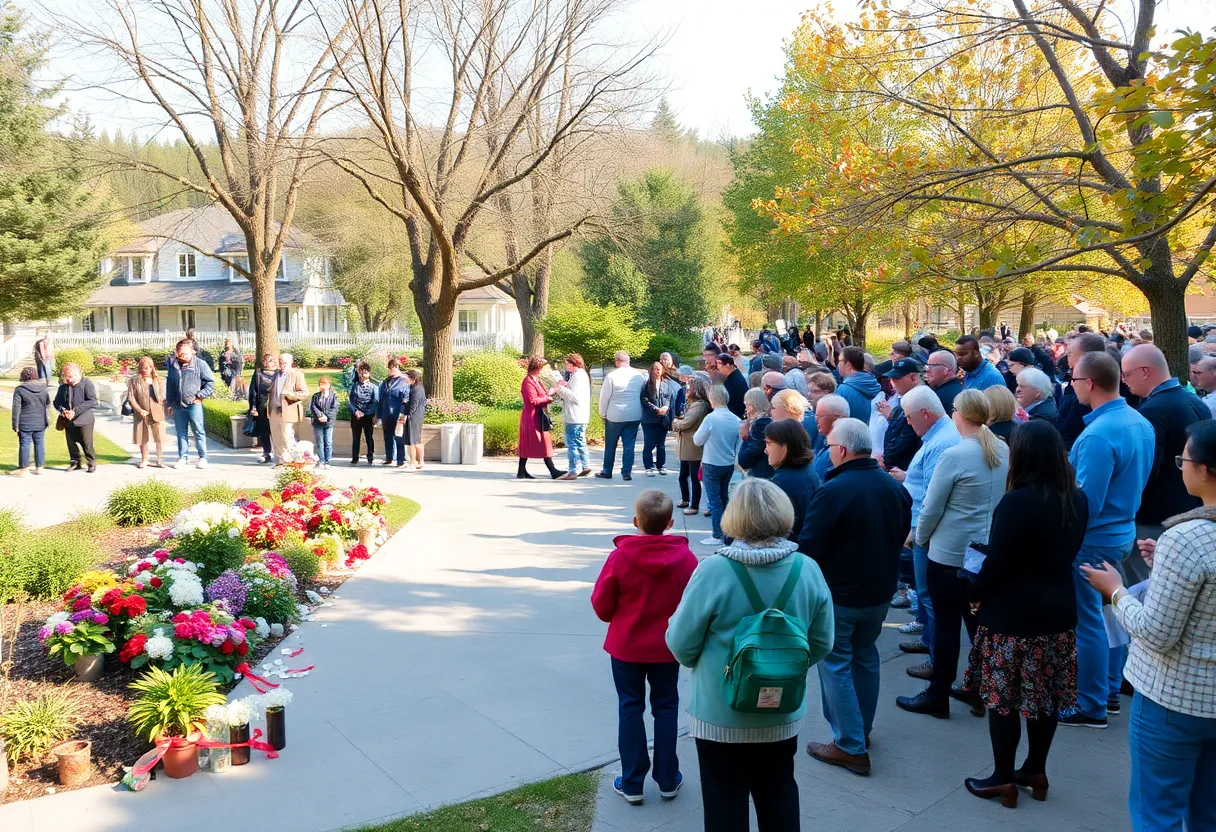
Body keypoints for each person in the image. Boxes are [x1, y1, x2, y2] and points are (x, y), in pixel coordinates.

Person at [667, 478, 835, 830]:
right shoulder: (808, 569)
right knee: (779, 793)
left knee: (723, 802)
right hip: (782, 709)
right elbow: (822, 642)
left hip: (719, 713)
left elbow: (681, 644)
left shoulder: (714, 570)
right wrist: (781, 668)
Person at [1082, 420, 1216, 832]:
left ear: (1206, 469)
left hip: (1174, 698)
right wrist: (1167, 569)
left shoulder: (1187, 537)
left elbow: (1158, 633)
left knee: (1156, 813)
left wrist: (1116, 592)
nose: (1181, 467)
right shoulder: (1188, 542)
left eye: (1184, 460)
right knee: (1208, 813)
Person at [961, 421, 1085, 808]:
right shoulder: (1077, 498)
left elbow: (998, 564)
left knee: (1004, 700)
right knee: (1044, 697)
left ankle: (1002, 777)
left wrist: (974, 594)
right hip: (1058, 613)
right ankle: (1035, 769)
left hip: (1013, 616)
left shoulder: (1017, 501)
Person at [800, 417, 912, 775]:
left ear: (843, 450)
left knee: (836, 662)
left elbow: (810, 547)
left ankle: (850, 743)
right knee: (864, 657)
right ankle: (859, 731)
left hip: (842, 595)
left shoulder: (835, 489)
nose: (828, 452)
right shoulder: (893, 487)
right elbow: (900, 535)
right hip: (878, 592)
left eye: (830, 446)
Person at [897, 390, 1009, 718]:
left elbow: (931, 507)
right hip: (982, 552)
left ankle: (938, 695)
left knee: (947, 627)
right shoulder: (1001, 449)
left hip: (949, 553)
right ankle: (980, 688)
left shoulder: (956, 455)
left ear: (959, 413)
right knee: (976, 625)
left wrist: (920, 538)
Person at [1064, 351, 1154, 728]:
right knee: (1110, 615)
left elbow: (1087, 503)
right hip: (1121, 532)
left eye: (1073, 379)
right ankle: (1110, 692)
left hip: (1094, 538)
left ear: (1089, 383)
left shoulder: (1099, 434)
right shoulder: (1138, 421)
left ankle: (1091, 704)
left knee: (1089, 623)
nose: (1070, 386)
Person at [592, 490, 698, 805]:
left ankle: (632, 781)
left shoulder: (619, 558)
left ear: (635, 520)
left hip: (627, 647)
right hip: (667, 648)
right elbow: (693, 604)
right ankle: (667, 778)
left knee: (630, 706)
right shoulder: (686, 559)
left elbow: (601, 605)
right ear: (670, 523)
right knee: (666, 707)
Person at [890, 384, 961, 676]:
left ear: (925, 413)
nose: (907, 422)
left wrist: (917, 532)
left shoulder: (940, 442)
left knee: (930, 596)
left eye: (909, 416)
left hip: (926, 532)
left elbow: (934, 495)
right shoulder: (937, 437)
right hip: (925, 529)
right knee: (926, 594)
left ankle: (936, 661)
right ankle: (929, 643)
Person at [1122, 344, 1211, 568]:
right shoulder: (1194, 400)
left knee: (1149, 577)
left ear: (1145, 371)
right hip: (1194, 508)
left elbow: (1147, 469)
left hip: (1157, 518)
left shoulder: (1153, 410)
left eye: (1127, 374)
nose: (1124, 381)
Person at [693, 384, 742, 546]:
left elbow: (697, 440)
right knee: (724, 497)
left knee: (714, 500)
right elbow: (738, 444)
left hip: (711, 462)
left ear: (712, 399)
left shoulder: (711, 418)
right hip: (728, 463)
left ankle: (717, 534)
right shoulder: (736, 419)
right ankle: (727, 531)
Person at [765, 419, 820, 541]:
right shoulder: (808, 471)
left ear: (785, 447)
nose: (766, 450)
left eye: (769, 443)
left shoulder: (781, 482)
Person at [165, 339, 216, 469]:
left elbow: (210, 383)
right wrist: (169, 404)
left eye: (185, 353)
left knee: (199, 431)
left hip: (194, 404)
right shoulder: (173, 366)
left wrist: (200, 395)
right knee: (181, 432)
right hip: (178, 405)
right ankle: (183, 457)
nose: (183, 356)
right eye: (180, 353)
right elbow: (169, 385)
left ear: (192, 351)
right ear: (177, 352)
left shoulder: (200, 364)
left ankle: (203, 457)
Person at [598, 351, 645, 481]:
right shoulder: (639, 376)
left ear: (617, 361)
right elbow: (643, 394)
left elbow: (605, 397)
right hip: (634, 414)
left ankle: (607, 470)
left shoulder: (612, 376)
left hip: (615, 415)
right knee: (629, 445)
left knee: (611, 444)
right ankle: (626, 472)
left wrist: (603, 412)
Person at [1058, 332, 1107, 449]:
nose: (1066, 358)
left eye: (1069, 354)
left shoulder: (1089, 390)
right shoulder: (1073, 381)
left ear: (1085, 357)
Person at [518, 356, 561, 479]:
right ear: (536, 368)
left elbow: (539, 396)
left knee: (537, 442)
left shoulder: (536, 380)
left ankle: (521, 471)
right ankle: (552, 470)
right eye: (541, 367)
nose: (542, 370)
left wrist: (550, 393)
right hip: (532, 417)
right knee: (540, 442)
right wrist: (548, 398)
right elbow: (533, 400)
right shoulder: (528, 381)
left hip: (538, 414)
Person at [551, 353, 592, 480]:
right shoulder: (581, 375)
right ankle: (586, 465)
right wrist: (566, 386)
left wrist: (560, 388)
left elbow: (575, 397)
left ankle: (573, 471)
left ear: (574, 364)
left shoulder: (578, 376)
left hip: (575, 416)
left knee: (572, 444)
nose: (567, 367)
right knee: (580, 441)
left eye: (568, 364)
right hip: (580, 416)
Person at [878, 359, 923, 471]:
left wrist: (886, 462)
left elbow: (907, 439)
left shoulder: (917, 401)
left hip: (904, 468)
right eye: (891, 379)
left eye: (896, 378)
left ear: (913, 377)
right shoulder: (905, 399)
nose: (892, 382)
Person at [53, 363, 97, 472]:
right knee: (71, 442)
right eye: (67, 376)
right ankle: (75, 462)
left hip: (84, 419)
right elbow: (56, 402)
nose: (69, 379)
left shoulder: (87, 384)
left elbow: (92, 401)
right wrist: (63, 410)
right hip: (68, 419)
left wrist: (75, 411)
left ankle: (91, 462)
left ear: (78, 374)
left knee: (86, 443)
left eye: (71, 376)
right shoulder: (63, 387)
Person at [127, 356, 167, 469]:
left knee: (159, 437)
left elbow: (163, 396)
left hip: (157, 411)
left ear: (152, 368)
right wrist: (139, 410)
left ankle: (160, 459)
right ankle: (145, 459)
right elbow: (131, 397)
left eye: (148, 367)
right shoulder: (134, 381)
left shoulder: (158, 380)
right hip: (141, 412)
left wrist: (153, 384)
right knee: (142, 437)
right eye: (143, 368)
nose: (145, 370)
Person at [268, 352, 308, 464]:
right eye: (280, 363)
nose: (282, 365)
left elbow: (304, 393)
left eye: (284, 363)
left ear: (291, 363)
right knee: (276, 437)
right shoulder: (275, 374)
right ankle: (280, 461)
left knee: (287, 437)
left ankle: (292, 460)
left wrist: (290, 395)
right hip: (274, 410)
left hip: (288, 410)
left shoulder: (297, 374)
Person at [9, 366, 49, 476]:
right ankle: (39, 467)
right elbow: (47, 403)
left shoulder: (20, 390)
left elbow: (16, 409)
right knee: (39, 443)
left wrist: (15, 424)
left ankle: (24, 468)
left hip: (25, 422)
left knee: (25, 444)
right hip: (40, 421)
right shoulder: (44, 388)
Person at [640, 361, 675, 477]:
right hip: (649, 420)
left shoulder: (666, 384)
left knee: (661, 444)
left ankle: (661, 465)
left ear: (662, 370)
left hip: (662, 419)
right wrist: (655, 409)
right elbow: (644, 400)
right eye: (654, 369)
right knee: (649, 444)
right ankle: (648, 466)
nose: (657, 371)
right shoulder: (646, 385)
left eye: (659, 369)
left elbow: (669, 398)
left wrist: (665, 407)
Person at [377, 358, 410, 467]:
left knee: (398, 436)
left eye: (391, 368)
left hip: (398, 411)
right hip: (386, 411)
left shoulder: (404, 381)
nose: (389, 370)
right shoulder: (386, 381)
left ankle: (400, 460)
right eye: (389, 368)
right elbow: (380, 399)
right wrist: (379, 415)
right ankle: (389, 457)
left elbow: (406, 399)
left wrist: (403, 413)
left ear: (397, 367)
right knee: (387, 436)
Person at [810, 395, 850, 481]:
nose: (816, 420)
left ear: (838, 419)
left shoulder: (840, 448)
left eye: (820, 417)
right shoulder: (825, 440)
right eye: (815, 416)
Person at [737, 388, 775, 479]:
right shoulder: (769, 420)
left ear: (752, 406)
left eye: (746, 405)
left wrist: (745, 437)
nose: (746, 410)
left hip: (761, 476)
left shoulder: (761, 425)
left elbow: (745, 460)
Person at [247, 353, 277, 464]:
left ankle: (278, 453)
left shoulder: (278, 374)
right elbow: (253, 391)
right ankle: (266, 453)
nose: (271, 363)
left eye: (272, 360)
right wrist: (253, 406)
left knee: (277, 430)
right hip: (262, 404)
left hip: (276, 405)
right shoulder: (258, 374)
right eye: (268, 360)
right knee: (264, 431)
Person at [836, 346, 881, 421]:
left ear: (848, 364)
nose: (837, 365)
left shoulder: (843, 390)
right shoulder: (875, 384)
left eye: (839, 361)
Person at [347, 361, 379, 465]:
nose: (363, 375)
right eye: (361, 372)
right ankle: (355, 457)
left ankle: (370, 456)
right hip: (356, 415)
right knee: (356, 437)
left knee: (369, 436)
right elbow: (350, 400)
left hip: (368, 416)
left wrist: (365, 413)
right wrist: (355, 411)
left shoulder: (374, 387)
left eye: (365, 372)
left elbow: (375, 402)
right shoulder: (355, 386)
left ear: (369, 373)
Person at [308, 376, 338, 469]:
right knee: (320, 442)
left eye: (325, 384)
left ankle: (328, 460)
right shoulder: (316, 396)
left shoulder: (333, 396)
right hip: (318, 422)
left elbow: (334, 408)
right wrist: (320, 415)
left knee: (328, 442)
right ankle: (321, 460)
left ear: (329, 385)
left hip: (328, 423)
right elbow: (313, 407)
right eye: (321, 384)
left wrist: (326, 417)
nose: (323, 386)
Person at [924, 349, 963, 415]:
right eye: (927, 366)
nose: (927, 370)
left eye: (931, 366)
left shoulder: (940, 398)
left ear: (946, 369)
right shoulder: (959, 387)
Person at [404, 369, 427, 470]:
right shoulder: (419, 387)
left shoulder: (416, 389)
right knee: (416, 440)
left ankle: (414, 461)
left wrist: (407, 415)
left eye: (407, 378)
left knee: (413, 440)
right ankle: (419, 461)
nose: (406, 379)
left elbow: (413, 405)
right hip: (417, 416)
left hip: (414, 417)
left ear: (413, 378)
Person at [717, 353, 748, 418]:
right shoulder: (731, 376)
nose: (717, 366)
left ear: (728, 364)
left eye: (719, 363)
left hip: (736, 415)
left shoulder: (736, 379)